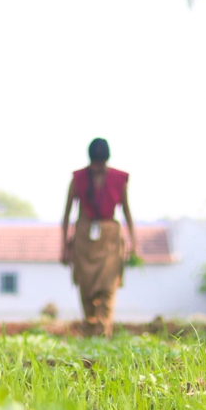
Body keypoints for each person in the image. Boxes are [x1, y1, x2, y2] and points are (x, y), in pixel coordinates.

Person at [60, 138, 138, 337]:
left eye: (101, 165)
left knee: (108, 288)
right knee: (85, 288)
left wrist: (134, 243)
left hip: (110, 239)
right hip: (84, 239)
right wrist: (64, 247)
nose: (97, 169)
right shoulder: (77, 179)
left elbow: (127, 212)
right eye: (95, 165)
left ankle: (103, 331)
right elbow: (66, 215)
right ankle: (89, 327)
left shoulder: (118, 180)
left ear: (107, 161)